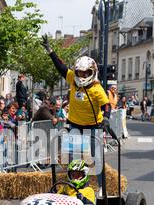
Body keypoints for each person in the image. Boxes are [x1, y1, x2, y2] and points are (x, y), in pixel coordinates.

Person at [42, 34, 110, 195]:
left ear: (92, 73)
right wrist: (50, 51)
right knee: (71, 158)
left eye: (86, 73)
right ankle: (71, 187)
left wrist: (106, 118)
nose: (82, 76)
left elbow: (106, 105)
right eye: (79, 72)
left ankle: (101, 189)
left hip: (93, 127)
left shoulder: (96, 89)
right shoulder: (73, 80)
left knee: (97, 158)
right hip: (74, 125)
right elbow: (62, 68)